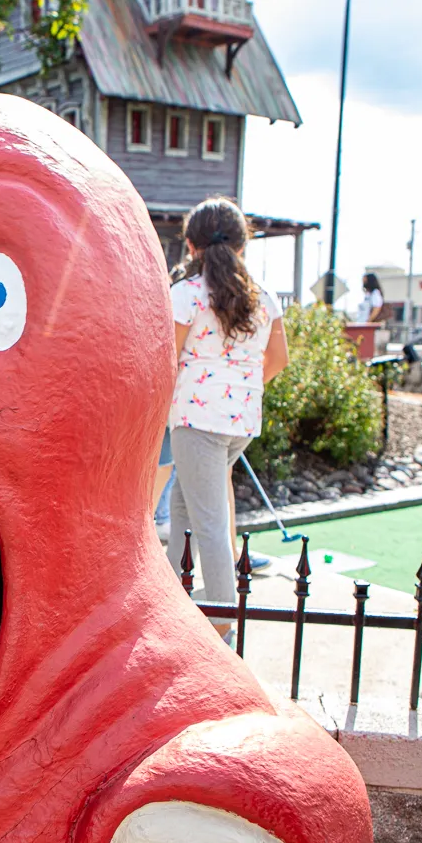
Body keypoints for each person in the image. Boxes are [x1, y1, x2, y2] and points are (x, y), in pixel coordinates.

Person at [166, 198, 290, 638]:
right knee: (187, 502)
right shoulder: (264, 298)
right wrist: (239, 390)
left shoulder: (185, 295)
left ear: (190, 244)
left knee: (210, 522)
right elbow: (278, 359)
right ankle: (169, 592)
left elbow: (169, 358)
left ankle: (222, 625)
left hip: (195, 422)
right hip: (240, 423)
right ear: (243, 243)